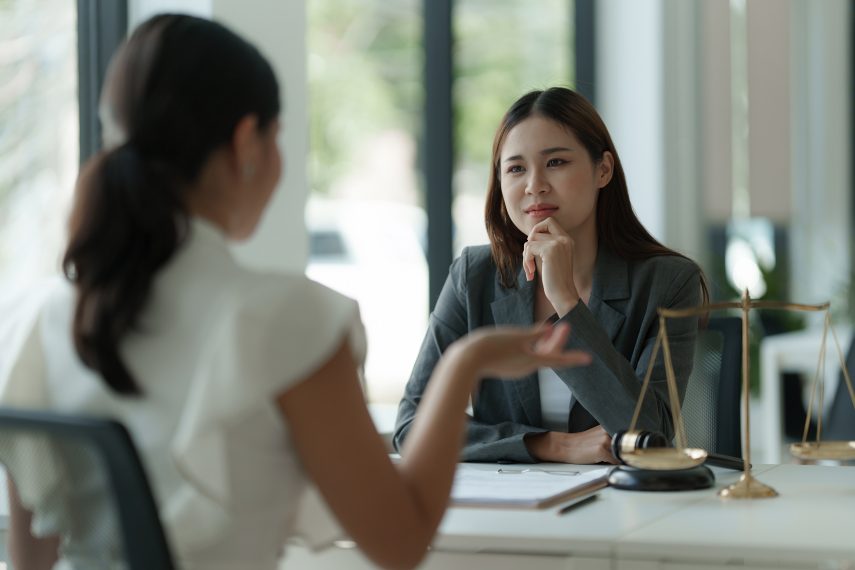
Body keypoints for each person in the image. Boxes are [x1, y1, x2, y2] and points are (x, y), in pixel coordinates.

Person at [0, 16, 592, 570]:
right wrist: (467, 362)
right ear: (247, 142)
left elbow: (32, 554)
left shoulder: (36, 316)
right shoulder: (285, 319)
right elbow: (401, 540)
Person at [394, 87, 708, 465]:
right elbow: (412, 427)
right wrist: (553, 445)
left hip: (620, 508)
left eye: (556, 162)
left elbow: (648, 436)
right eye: (516, 168)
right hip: (509, 509)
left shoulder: (668, 283)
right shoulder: (474, 276)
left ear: (603, 169)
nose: (534, 185)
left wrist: (568, 304)